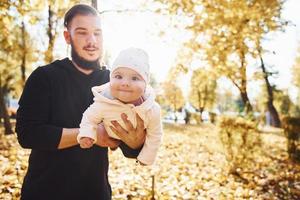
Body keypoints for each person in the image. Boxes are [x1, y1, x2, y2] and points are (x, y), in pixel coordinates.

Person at [16, 4, 146, 200]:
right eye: (82, 33)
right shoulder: (44, 77)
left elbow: (130, 148)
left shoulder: (116, 83)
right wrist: (90, 133)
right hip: (44, 192)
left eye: (97, 33)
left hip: (95, 193)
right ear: (67, 37)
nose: (91, 41)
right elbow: (28, 134)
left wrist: (136, 142)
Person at [78, 47, 163, 165]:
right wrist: (87, 134)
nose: (125, 83)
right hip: (107, 141)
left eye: (135, 78)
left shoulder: (151, 109)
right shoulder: (103, 102)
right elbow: (89, 117)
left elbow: (155, 135)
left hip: (131, 143)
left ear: (145, 85)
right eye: (118, 76)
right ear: (110, 79)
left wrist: (147, 158)